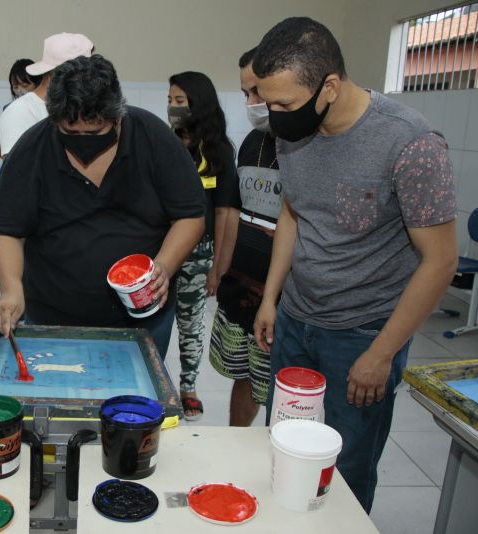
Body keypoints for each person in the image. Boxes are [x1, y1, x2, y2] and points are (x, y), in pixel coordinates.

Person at [251, 17, 458, 512]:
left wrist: (382, 354)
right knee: (283, 449)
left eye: (283, 104)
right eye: (267, 103)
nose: (274, 116)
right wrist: (270, 298)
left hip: (363, 333)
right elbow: (293, 214)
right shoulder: (293, 133)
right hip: (297, 322)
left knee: (343, 471)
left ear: (330, 86)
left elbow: (440, 261)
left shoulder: (410, 144)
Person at [0, 54, 205, 359]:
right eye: (70, 133)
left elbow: (190, 216)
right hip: (53, 316)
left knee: (133, 403)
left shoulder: (153, 138)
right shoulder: (32, 150)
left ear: (117, 118)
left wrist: (164, 267)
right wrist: (11, 288)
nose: (82, 141)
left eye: (93, 133)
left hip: (143, 317)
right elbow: (8, 230)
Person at [208, 48, 278, 427]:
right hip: (241, 286)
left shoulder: (306, 149)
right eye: (245, 94)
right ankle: (237, 442)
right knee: (245, 375)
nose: (252, 103)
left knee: (279, 388)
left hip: (281, 296)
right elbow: (234, 211)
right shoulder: (254, 142)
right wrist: (221, 268)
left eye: (258, 93)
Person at [167, 72, 240, 420]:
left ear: (200, 103)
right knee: (155, 319)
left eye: (180, 101)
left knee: (191, 322)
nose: (173, 107)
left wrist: (218, 267)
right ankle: (155, 382)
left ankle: (188, 386)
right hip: (164, 248)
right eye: (170, 101)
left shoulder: (218, 150)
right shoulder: (166, 143)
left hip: (200, 253)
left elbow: (225, 212)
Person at [0, 32, 93, 158]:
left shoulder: (72, 109)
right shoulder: (21, 111)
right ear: (57, 73)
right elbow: (17, 172)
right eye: (82, 76)